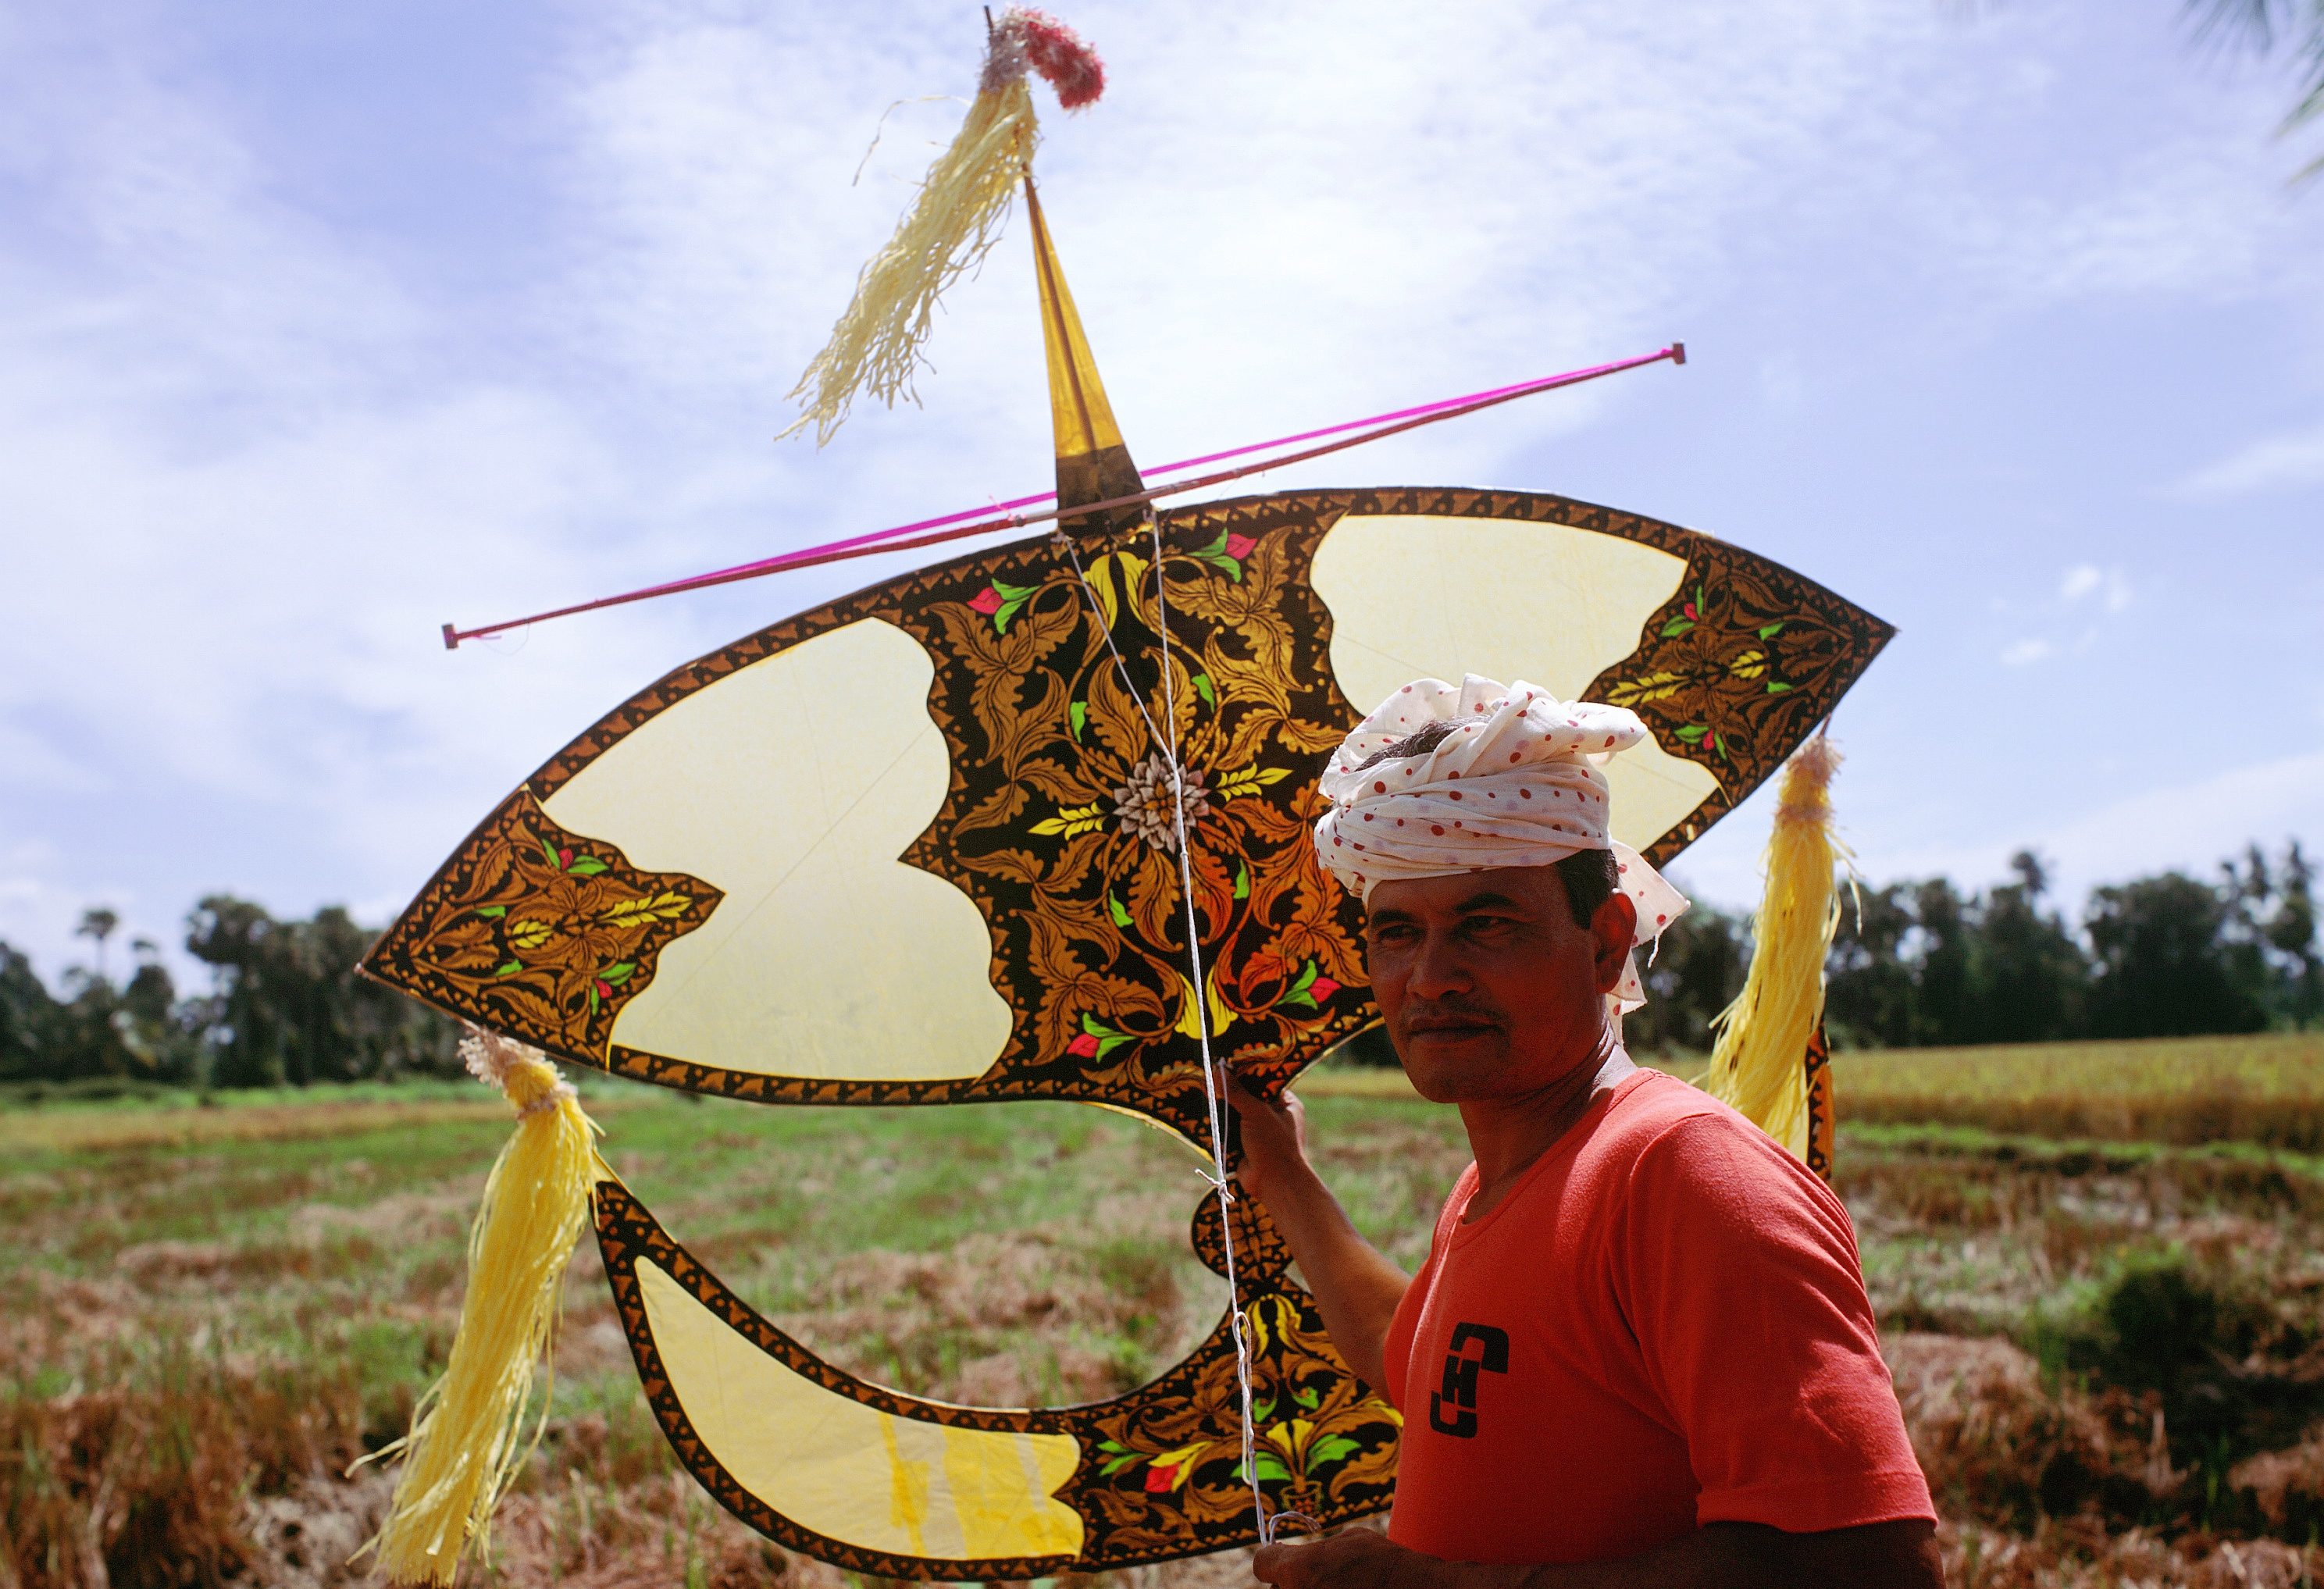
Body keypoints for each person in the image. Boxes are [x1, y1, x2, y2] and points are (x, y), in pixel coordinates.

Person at [1228, 676, 1940, 1589]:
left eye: (1487, 923)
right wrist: (1284, 1178)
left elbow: (1870, 1568)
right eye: (1396, 931)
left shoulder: (1686, 1175)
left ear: (1605, 940)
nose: (1430, 976)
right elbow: (1419, 1362)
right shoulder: (1499, 1183)